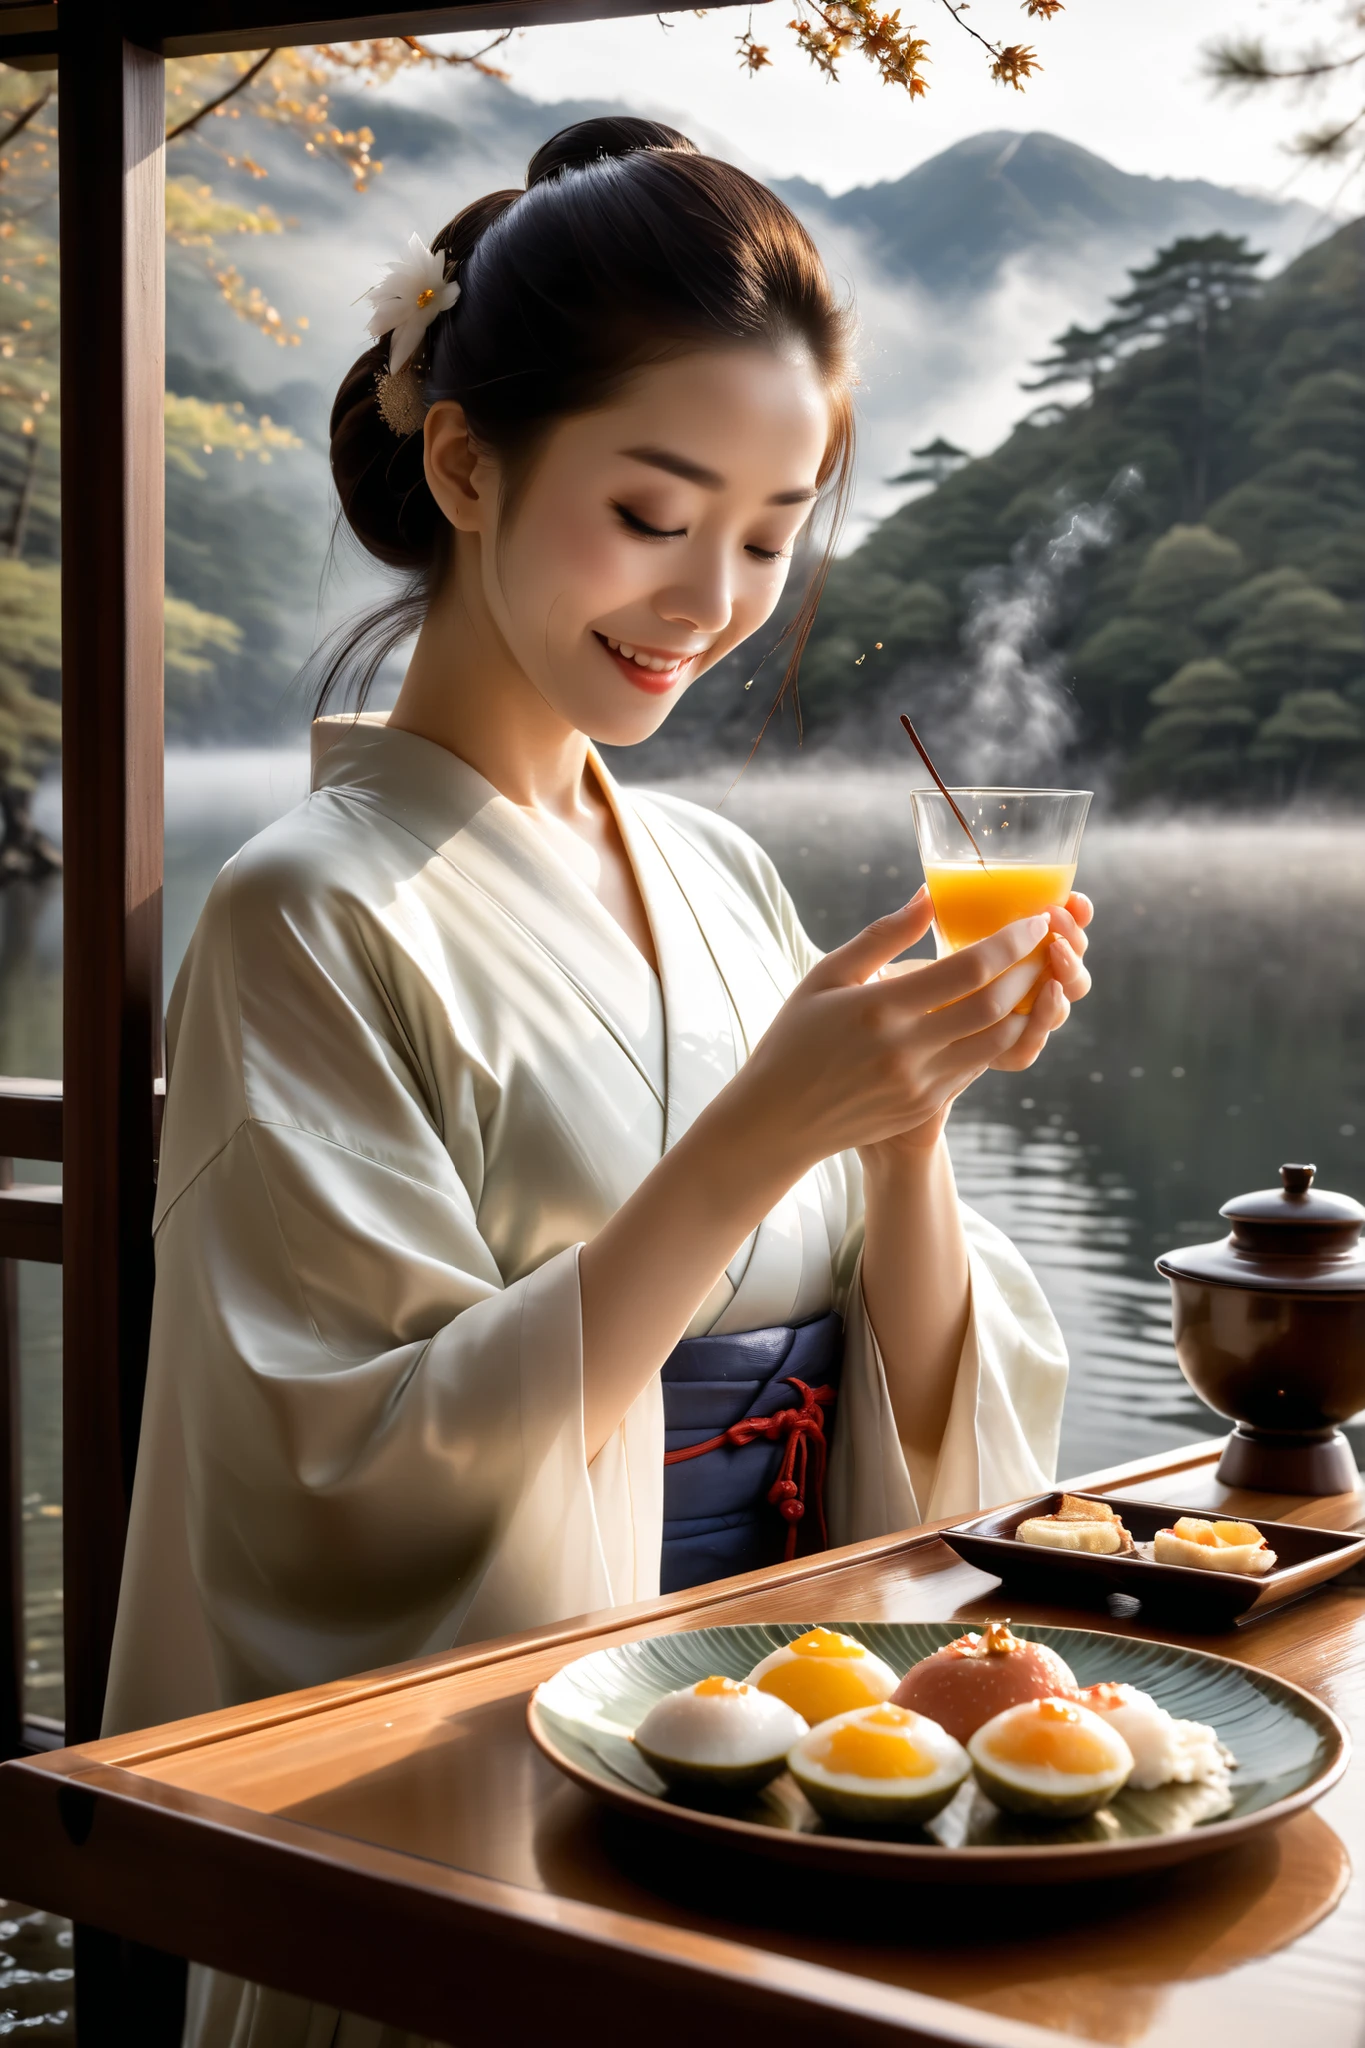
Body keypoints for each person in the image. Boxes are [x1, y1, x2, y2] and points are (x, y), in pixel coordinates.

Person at [105, 116, 1089, 2046]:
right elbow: (338, 1483)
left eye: (771, 531)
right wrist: (756, 1137)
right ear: (466, 461)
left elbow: (939, 1440)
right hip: (498, 1805)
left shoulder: (718, 871)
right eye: (653, 513)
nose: (709, 598)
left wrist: (902, 1127)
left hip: (795, 1767)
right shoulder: (302, 913)